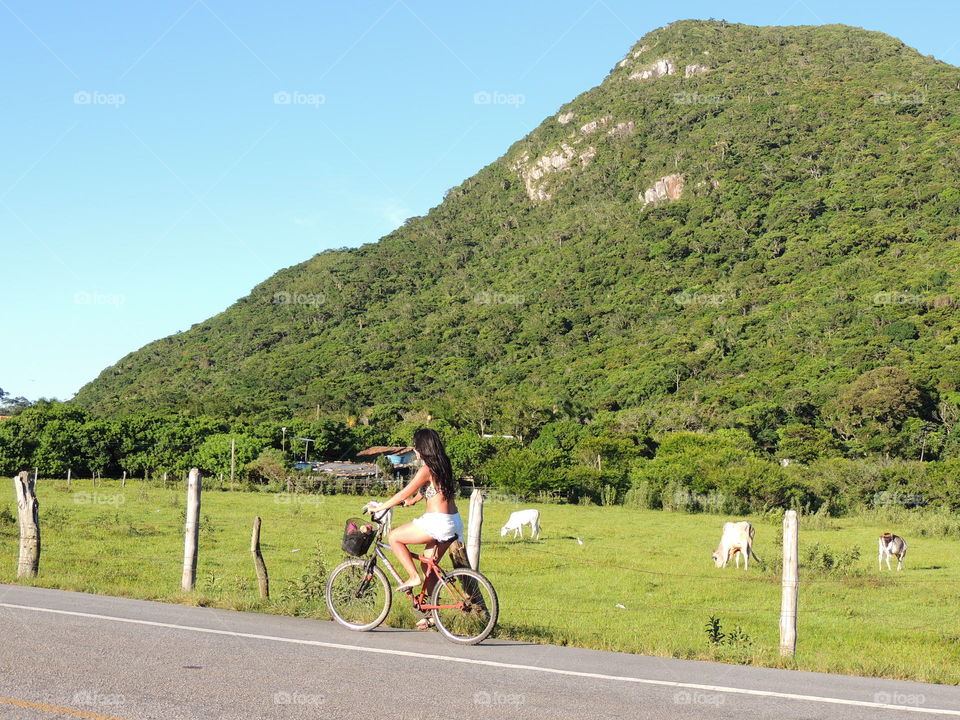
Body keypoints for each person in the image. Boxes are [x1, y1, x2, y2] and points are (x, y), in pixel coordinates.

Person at [368, 428, 462, 598]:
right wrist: (413, 501)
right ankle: (433, 615)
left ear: (423, 447)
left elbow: (404, 492)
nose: (414, 449)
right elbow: (432, 489)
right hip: (454, 522)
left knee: (394, 537)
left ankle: (412, 577)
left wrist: (380, 508)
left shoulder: (425, 469)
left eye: (415, 446)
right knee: (428, 567)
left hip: (437, 523)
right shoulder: (443, 464)